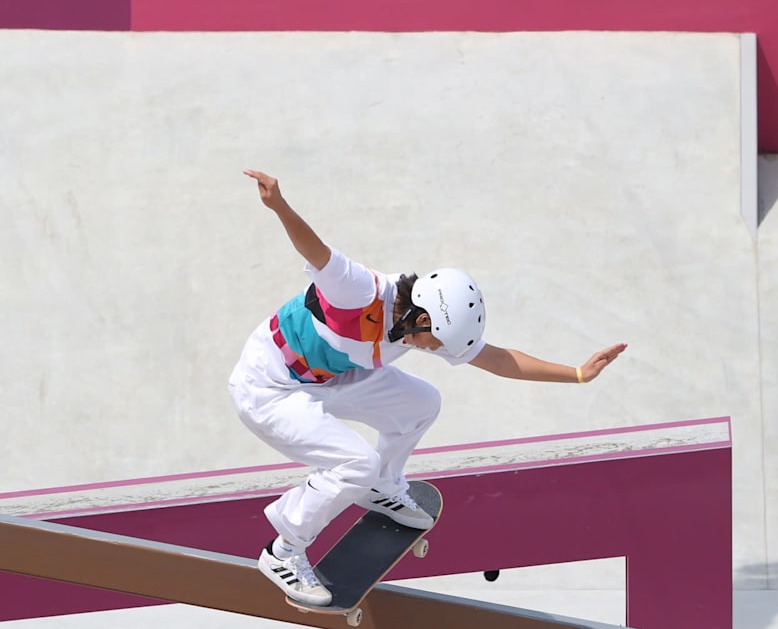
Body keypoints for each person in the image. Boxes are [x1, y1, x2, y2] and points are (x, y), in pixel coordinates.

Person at [228, 170, 628, 606]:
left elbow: (494, 358)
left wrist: (576, 373)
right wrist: (279, 205)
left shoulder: (419, 323)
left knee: (422, 403)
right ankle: (284, 552)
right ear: (420, 319)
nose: (436, 349)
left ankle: (380, 484)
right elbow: (316, 251)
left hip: (328, 377)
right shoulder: (360, 291)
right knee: (353, 462)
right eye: (435, 340)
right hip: (268, 388)